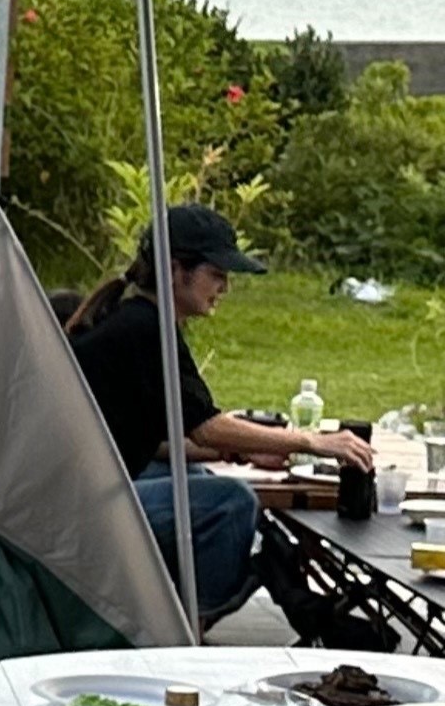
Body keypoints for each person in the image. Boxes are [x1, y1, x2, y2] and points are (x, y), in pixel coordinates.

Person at [66, 202, 370, 620]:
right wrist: (312, 441)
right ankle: (185, 621)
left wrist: (243, 452)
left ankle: (182, 598)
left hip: (86, 483)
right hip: (75, 508)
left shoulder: (139, 318)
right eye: (217, 274)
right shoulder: (144, 329)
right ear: (176, 270)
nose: (225, 287)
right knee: (230, 501)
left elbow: (156, 440)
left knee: (195, 477)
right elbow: (206, 426)